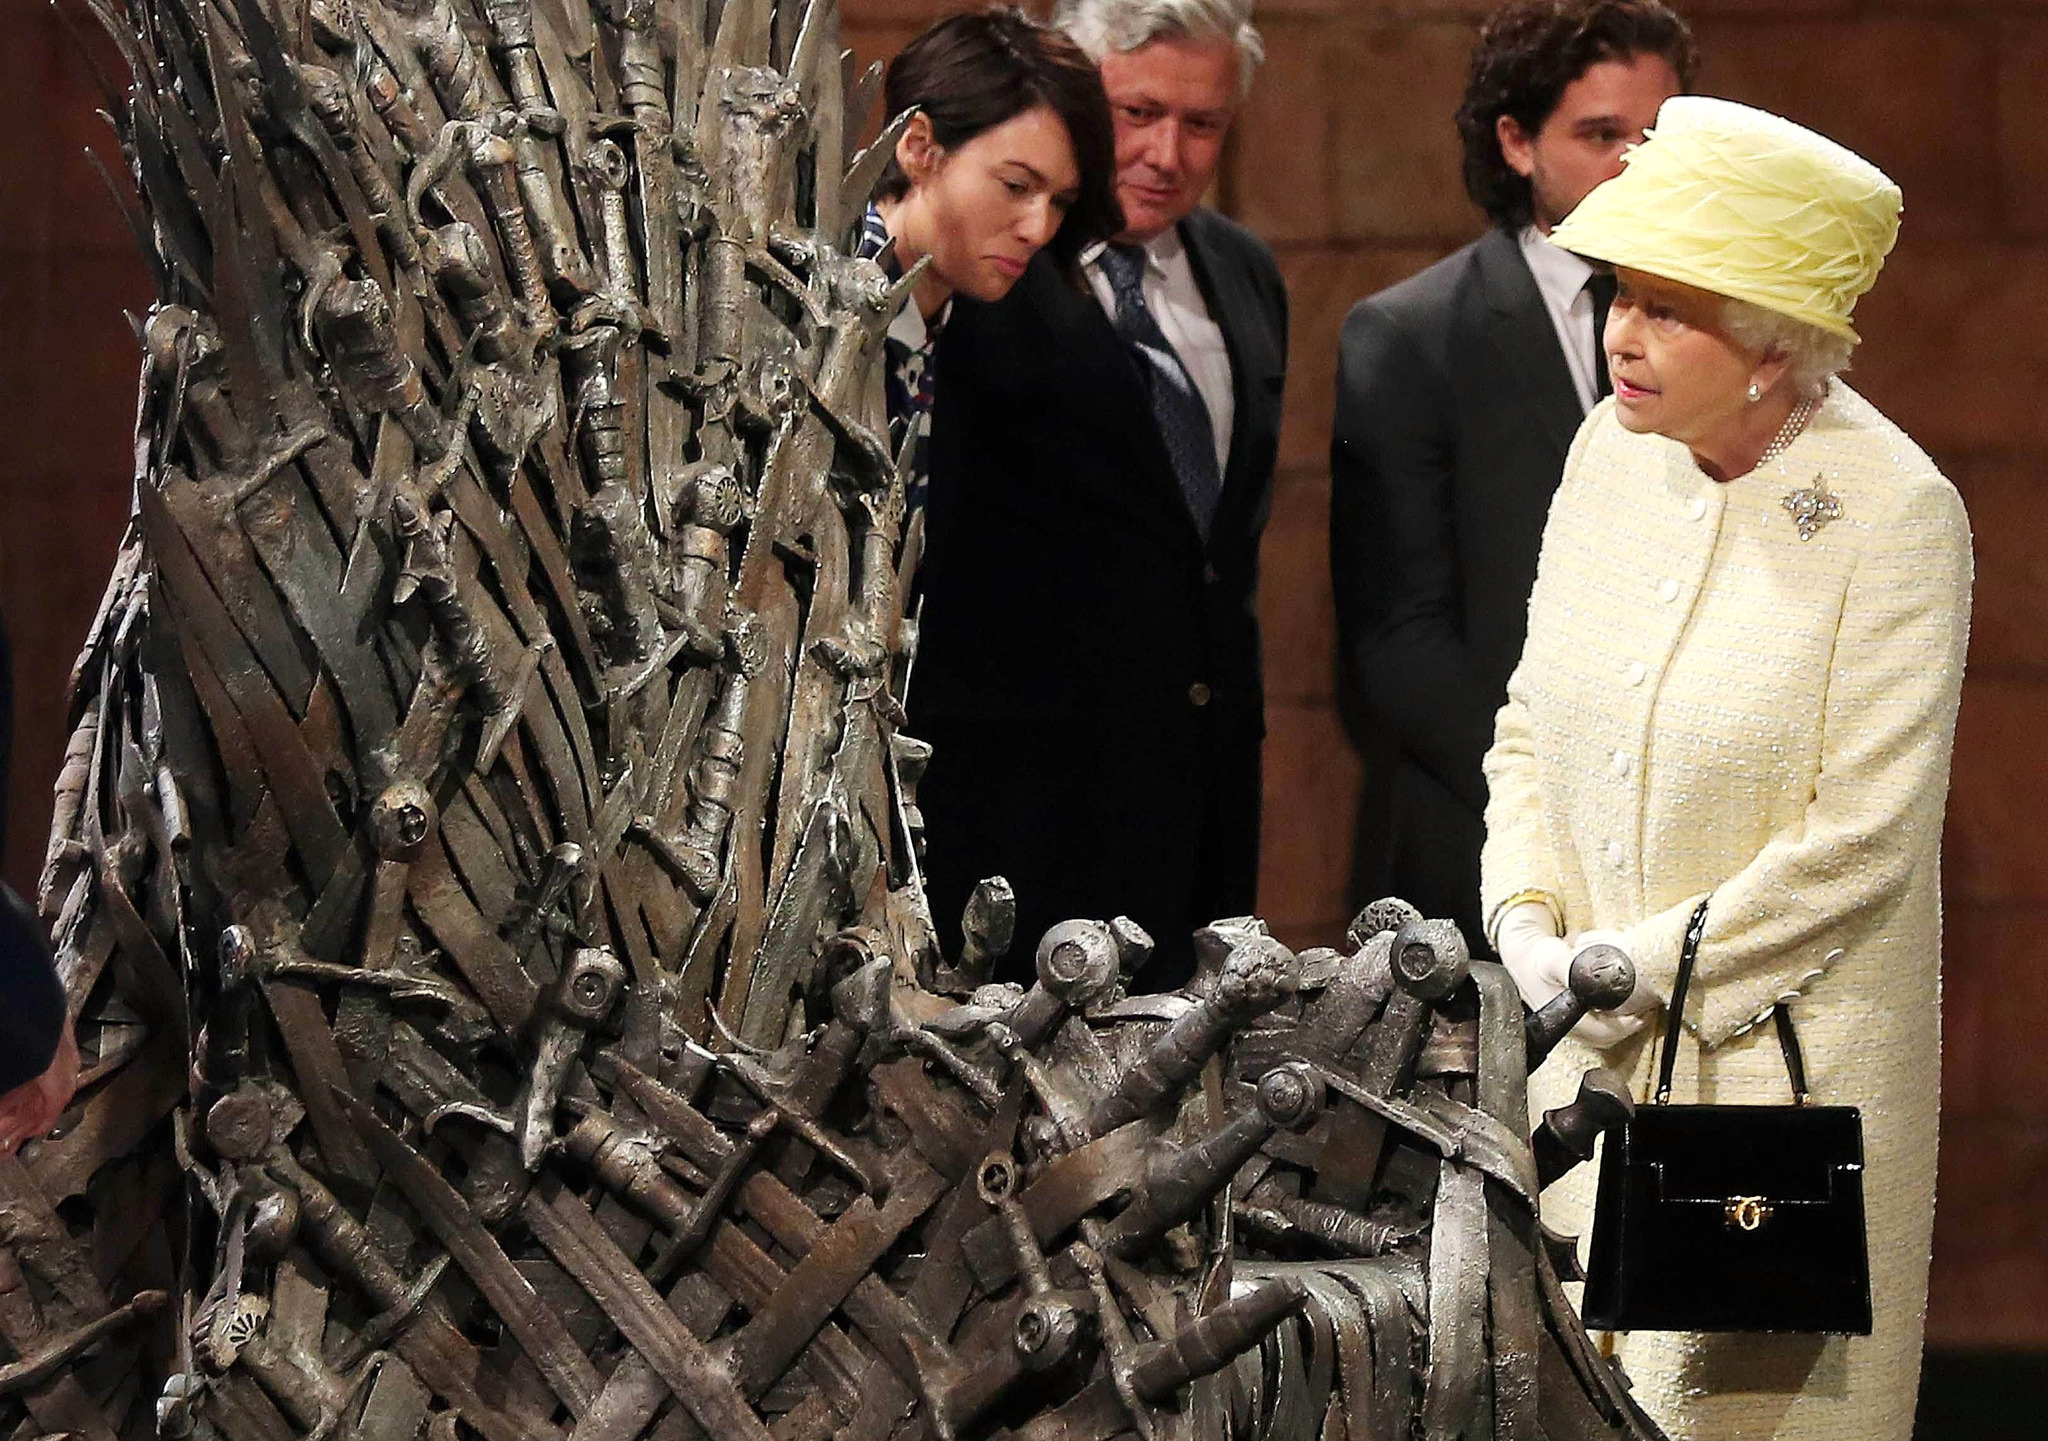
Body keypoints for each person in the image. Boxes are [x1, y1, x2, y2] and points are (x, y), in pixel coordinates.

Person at [1482, 96, 1970, 1440]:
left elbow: (1862, 840)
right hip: (1577, 1075)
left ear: (1772, 347)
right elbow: (1529, 721)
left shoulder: (1897, 513)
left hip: (1772, 1097)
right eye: (1620, 295)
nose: (1621, 335)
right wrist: (1525, 921)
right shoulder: (1608, 457)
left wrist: (1622, 971)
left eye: (1670, 309)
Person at [912, 0, 1286, 989]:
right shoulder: (986, 264)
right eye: (1137, 111)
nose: (1166, 151)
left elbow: (1212, 556)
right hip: (1013, 813)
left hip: (1197, 808)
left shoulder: (1244, 273)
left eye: (1200, 123)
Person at [1330, 0, 1693, 953]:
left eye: (1656, 136)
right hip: (1474, 846)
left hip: (1675, 856)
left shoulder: (1720, 332)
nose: (1632, 164)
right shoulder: (1409, 336)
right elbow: (1400, 646)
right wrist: (1551, 808)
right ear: (1517, 141)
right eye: (1601, 133)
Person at [856, 7, 1121, 527]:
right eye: (1016, 187)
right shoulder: (813, 305)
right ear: (918, 147)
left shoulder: (1016, 331)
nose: (1038, 229)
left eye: (1061, 201)